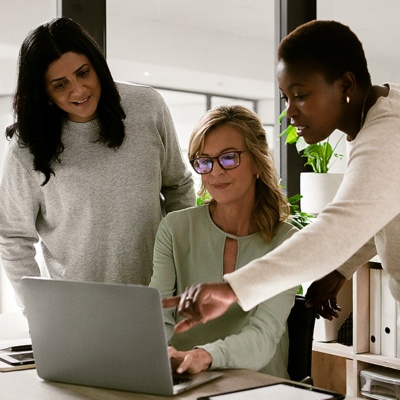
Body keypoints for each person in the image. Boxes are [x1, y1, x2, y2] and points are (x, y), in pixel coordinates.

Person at [162, 19, 400, 332]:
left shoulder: (387, 136)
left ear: (345, 85)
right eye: (286, 97)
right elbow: (378, 206)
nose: (289, 112)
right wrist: (340, 269)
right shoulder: (382, 115)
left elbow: (342, 225)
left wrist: (232, 289)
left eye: (301, 95)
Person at [0, 17, 195, 307]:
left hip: (158, 298)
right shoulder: (27, 148)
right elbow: (14, 238)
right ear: (45, 93)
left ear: (97, 67)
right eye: (60, 84)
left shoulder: (147, 107)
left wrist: (182, 269)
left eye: (83, 73)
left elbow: (179, 188)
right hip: (77, 312)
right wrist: (39, 311)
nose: (78, 90)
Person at [151, 105, 299, 378]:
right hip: (186, 375)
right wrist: (161, 353)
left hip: (259, 383)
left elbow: (264, 335)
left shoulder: (286, 241)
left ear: (257, 160)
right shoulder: (175, 227)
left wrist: (205, 356)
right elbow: (157, 315)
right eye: (204, 161)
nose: (215, 172)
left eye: (229, 158)